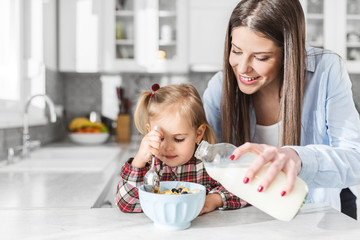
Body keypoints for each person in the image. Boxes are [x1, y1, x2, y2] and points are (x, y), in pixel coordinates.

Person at [203, 0, 360, 219]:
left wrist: (297, 158)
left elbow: (355, 158)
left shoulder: (327, 71)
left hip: (313, 217)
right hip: (248, 219)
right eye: (236, 51)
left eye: (261, 57)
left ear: (288, 53)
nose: (243, 67)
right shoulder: (220, 88)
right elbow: (203, 165)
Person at [116, 83, 248, 213]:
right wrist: (138, 161)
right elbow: (126, 202)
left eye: (178, 139)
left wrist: (213, 200)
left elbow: (244, 189)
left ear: (198, 133)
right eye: (161, 138)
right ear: (149, 132)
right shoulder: (150, 167)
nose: (167, 148)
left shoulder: (208, 165)